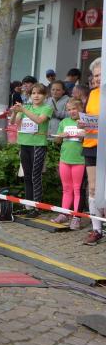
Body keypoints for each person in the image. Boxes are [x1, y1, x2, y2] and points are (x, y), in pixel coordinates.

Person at [10, 83, 52, 217]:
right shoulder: (26, 107)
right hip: (24, 143)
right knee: (27, 176)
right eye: (33, 93)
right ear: (30, 95)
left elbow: (39, 120)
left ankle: (37, 207)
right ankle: (28, 206)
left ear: (45, 96)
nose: (36, 96)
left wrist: (23, 109)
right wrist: (15, 112)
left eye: (39, 93)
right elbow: (14, 123)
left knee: (35, 175)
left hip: (38, 145)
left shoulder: (47, 108)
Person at [52, 99, 86, 230]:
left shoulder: (84, 123)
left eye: (74, 109)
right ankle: (64, 214)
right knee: (66, 188)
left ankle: (76, 217)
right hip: (64, 160)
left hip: (79, 160)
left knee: (77, 189)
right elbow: (56, 141)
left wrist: (83, 134)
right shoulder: (64, 122)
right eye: (69, 109)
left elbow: (90, 141)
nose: (72, 111)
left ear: (81, 109)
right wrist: (60, 135)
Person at [81, 58, 102, 245]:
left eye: (100, 75)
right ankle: (96, 229)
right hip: (91, 145)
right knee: (93, 187)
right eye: (95, 75)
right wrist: (83, 123)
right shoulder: (92, 94)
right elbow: (88, 117)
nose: (97, 79)